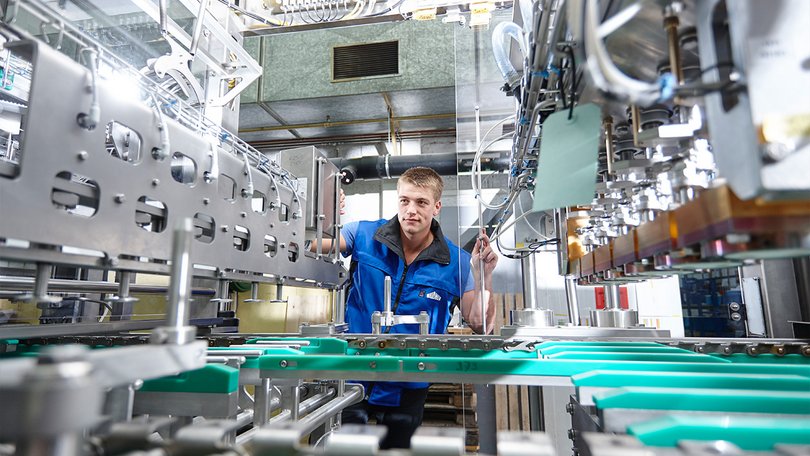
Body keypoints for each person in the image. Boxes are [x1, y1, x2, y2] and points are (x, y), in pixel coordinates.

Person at [329, 167, 498, 449]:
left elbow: (481, 324)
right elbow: (315, 245)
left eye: (421, 202)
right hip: (352, 374)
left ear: (437, 207)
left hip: (410, 384)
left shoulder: (457, 262)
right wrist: (324, 216)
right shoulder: (362, 234)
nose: (411, 210)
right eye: (405, 201)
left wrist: (484, 275)